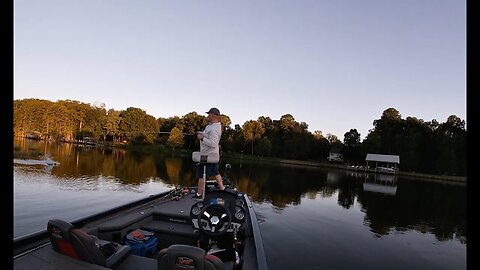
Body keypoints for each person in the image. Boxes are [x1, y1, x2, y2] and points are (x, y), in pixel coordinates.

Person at [194, 107, 225, 198]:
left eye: (209, 114)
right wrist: (202, 133)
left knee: (201, 175)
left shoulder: (215, 128)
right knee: (215, 172)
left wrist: (202, 138)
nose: (207, 116)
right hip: (210, 155)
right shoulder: (210, 126)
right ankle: (222, 188)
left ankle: (199, 194)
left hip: (208, 156)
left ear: (213, 115)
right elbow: (208, 135)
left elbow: (213, 143)